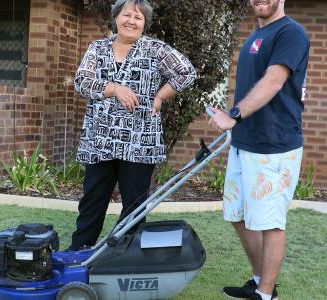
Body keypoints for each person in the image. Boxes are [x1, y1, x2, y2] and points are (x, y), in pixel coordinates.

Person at [68, 0, 196, 251]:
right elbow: (82, 81)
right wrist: (115, 89)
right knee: (92, 200)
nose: (132, 21)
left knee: (134, 205)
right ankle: (78, 253)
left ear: (144, 23)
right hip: (100, 139)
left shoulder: (156, 49)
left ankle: (126, 257)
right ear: (116, 18)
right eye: (127, 15)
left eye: (138, 17)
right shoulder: (98, 48)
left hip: (140, 140)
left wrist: (160, 96)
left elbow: (187, 72)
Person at [208, 1, 310, 300]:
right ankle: (259, 280)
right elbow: (253, 87)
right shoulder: (256, 35)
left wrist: (234, 114)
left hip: (274, 146)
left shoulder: (291, 32)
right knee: (238, 216)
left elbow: (274, 81)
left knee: (270, 222)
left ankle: (265, 295)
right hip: (245, 142)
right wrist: (227, 115)